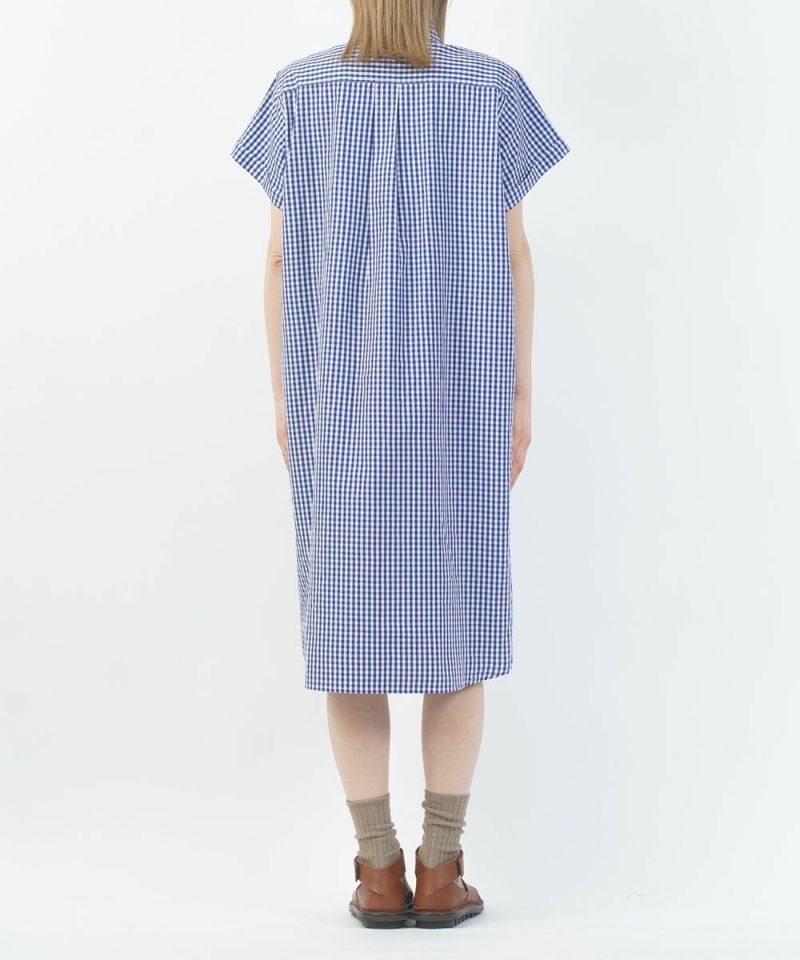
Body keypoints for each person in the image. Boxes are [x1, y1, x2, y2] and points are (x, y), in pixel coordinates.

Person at [230, 0, 569, 930]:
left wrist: (286, 399)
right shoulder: (491, 91)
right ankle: (442, 869)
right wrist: (521, 398)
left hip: (339, 404)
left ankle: (378, 872)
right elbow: (515, 256)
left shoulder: (297, 94)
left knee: (351, 644)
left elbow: (278, 262)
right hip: (460, 405)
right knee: (457, 640)